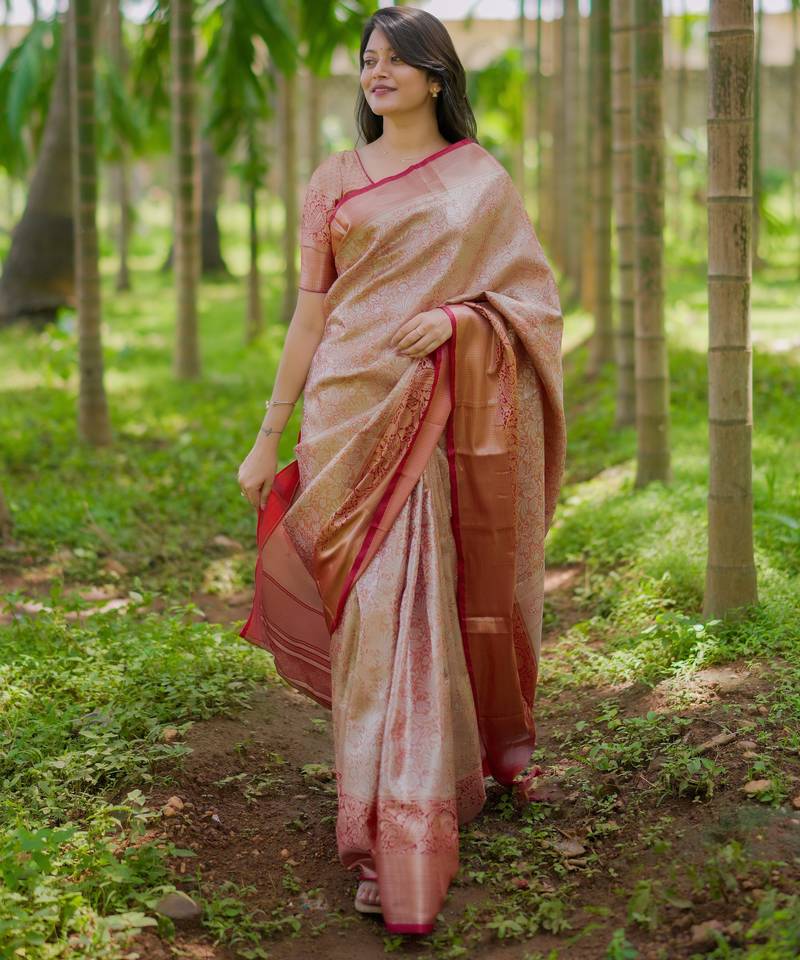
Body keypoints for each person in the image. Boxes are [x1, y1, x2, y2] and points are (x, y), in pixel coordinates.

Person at [236, 5, 566, 937]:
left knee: (413, 607)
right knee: (366, 622)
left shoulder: (479, 180)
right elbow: (312, 314)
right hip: (346, 409)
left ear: (435, 75)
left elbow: (530, 301)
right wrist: (271, 434)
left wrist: (464, 325)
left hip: (433, 414)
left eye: (395, 61)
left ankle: (400, 833)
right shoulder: (332, 180)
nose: (376, 73)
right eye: (367, 61)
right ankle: (383, 793)